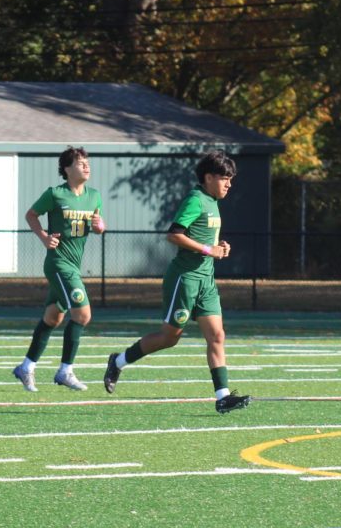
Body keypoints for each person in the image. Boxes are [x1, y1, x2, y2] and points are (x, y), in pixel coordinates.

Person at [103, 150, 251, 414]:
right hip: (185, 279)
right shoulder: (196, 199)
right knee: (169, 338)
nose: (229, 184)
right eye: (224, 178)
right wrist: (208, 249)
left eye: (231, 179)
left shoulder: (212, 201)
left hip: (206, 280)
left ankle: (222, 396)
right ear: (208, 177)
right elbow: (174, 235)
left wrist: (219, 247)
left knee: (217, 336)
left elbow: (204, 240)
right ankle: (119, 360)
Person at [12, 146, 105, 392]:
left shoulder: (94, 195)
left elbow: (99, 225)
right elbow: (31, 214)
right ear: (66, 168)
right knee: (83, 315)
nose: (86, 166)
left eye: (87, 162)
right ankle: (65, 371)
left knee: (53, 318)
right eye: (80, 162)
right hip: (58, 264)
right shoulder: (55, 194)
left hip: (73, 265)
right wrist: (43, 236)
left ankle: (26, 366)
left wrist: (100, 225)